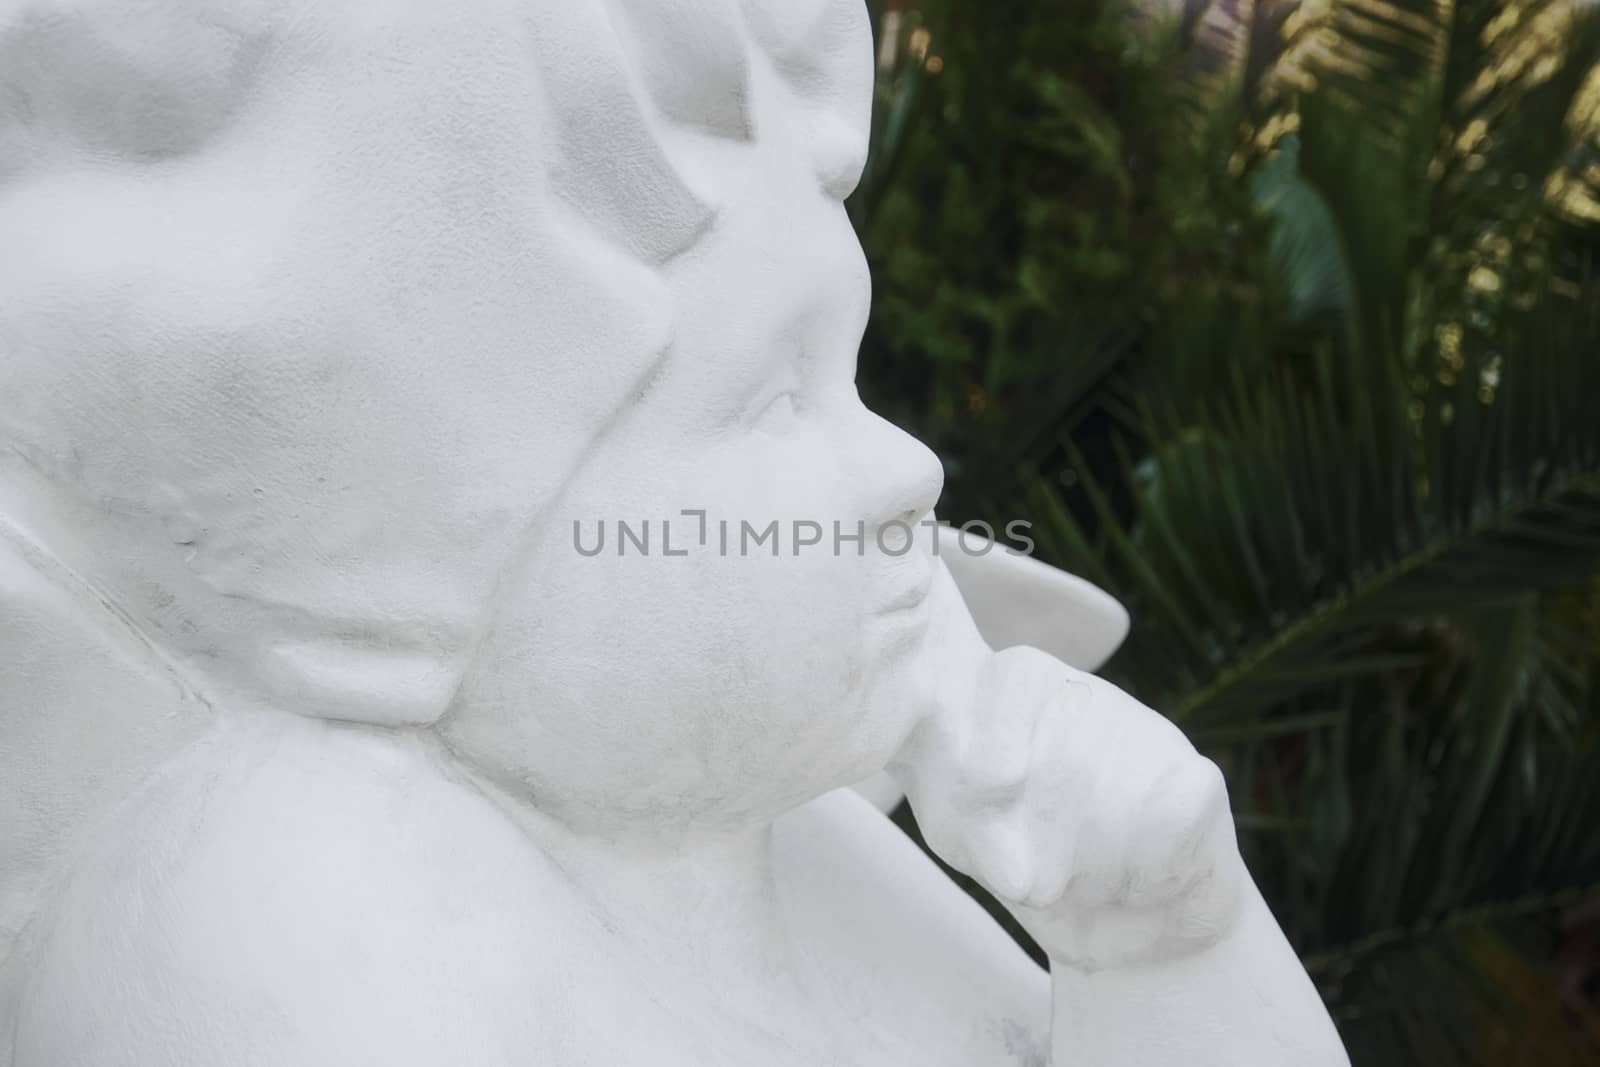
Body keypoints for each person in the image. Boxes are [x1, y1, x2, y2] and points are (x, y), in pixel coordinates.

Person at [0, 1, 1348, 1063]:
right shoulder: (300, 917)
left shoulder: (773, 827)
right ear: (427, 556)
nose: (907, 468)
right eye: (769, 404)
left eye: (850, 381)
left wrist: (1169, 948)